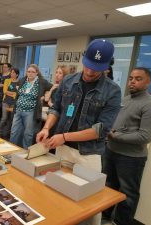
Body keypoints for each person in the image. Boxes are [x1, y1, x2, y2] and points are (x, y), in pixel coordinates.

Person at [36, 39, 121, 225]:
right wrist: (46, 128)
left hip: (89, 154)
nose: (90, 72)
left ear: (107, 66)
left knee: (90, 205)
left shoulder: (113, 91)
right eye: (88, 65)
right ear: (84, 59)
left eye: (96, 68)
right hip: (63, 149)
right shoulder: (68, 81)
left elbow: (101, 130)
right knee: (57, 194)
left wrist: (64, 136)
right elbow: (56, 108)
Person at [102, 67, 151, 225]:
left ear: (148, 82)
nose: (132, 81)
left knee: (128, 194)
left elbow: (145, 136)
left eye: (138, 79)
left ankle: (121, 222)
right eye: (131, 78)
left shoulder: (150, 105)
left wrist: (115, 135)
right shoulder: (125, 99)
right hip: (111, 151)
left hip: (131, 159)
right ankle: (104, 218)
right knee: (108, 187)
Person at [10, 64, 52, 149]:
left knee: (28, 134)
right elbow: (17, 90)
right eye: (28, 71)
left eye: (33, 72)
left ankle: (26, 152)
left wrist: (45, 96)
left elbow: (53, 88)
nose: (30, 73)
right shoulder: (23, 80)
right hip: (18, 110)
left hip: (30, 112)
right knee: (14, 132)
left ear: (37, 73)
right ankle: (11, 150)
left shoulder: (41, 82)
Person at [0, 68, 20, 139]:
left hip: (14, 102)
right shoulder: (7, 80)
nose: (11, 74)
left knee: (11, 119)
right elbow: (5, 91)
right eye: (11, 72)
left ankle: (7, 133)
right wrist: (13, 94)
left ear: (17, 74)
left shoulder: (19, 82)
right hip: (6, 101)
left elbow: (18, 93)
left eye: (13, 73)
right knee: (4, 118)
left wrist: (11, 93)